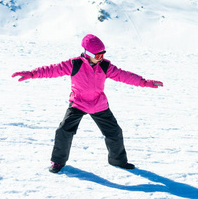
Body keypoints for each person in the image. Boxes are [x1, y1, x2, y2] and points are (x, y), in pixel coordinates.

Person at [12, 34, 163, 173]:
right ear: (88, 54)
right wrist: (32, 73)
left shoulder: (105, 66)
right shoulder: (74, 64)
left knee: (115, 132)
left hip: (99, 104)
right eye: (98, 55)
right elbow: (52, 70)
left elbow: (123, 75)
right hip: (78, 103)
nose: (101, 57)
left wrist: (144, 82)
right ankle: (58, 162)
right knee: (63, 131)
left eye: (103, 54)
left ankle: (118, 160)